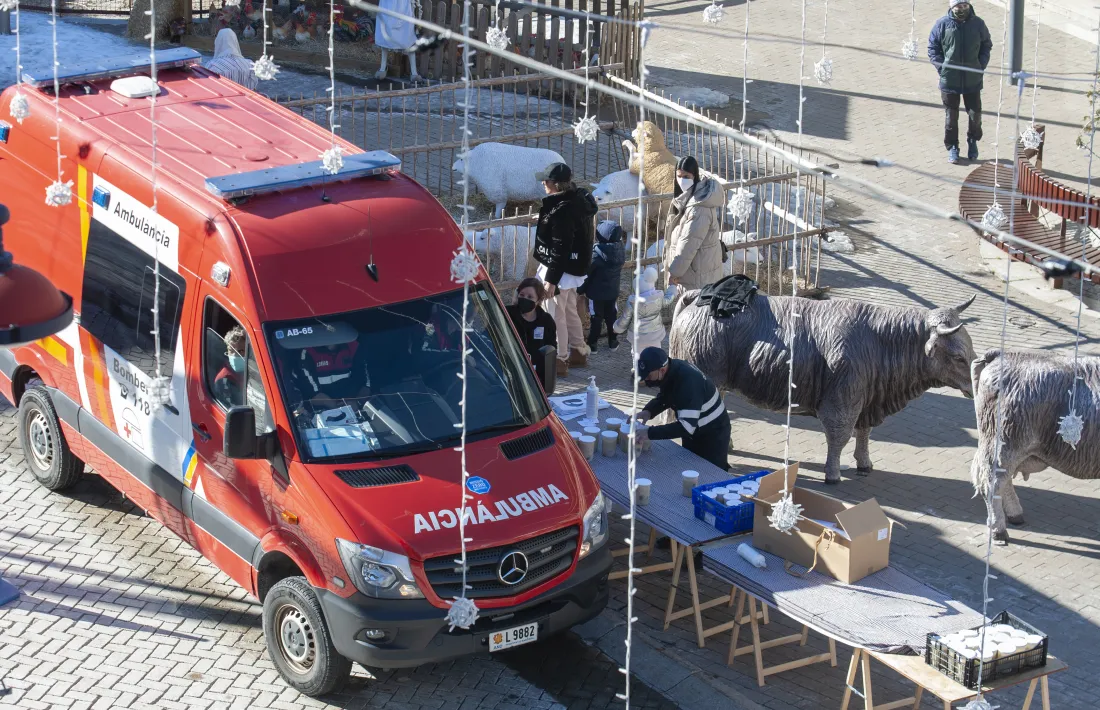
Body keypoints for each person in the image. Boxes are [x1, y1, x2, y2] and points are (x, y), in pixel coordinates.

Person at [532, 162, 599, 377]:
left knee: (555, 315)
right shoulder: (577, 200)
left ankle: (559, 360)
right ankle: (578, 351)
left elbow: (560, 247)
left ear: (556, 184)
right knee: (570, 310)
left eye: (546, 181)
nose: (543, 183)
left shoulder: (562, 211)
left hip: (560, 271)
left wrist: (551, 280)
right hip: (574, 268)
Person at [632, 346, 731, 471]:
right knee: (688, 467)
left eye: (648, 375)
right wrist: (649, 411)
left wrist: (649, 433)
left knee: (711, 474)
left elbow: (686, 427)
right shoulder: (672, 370)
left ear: (662, 370)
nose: (646, 379)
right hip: (695, 429)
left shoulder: (688, 383)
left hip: (712, 435)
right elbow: (667, 396)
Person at [928, 0, 993, 164]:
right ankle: (953, 147)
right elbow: (933, 48)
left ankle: (973, 140)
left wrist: (980, 66)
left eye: (965, 5)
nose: (962, 9)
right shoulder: (942, 24)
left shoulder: (978, 24)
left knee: (975, 115)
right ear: (952, 7)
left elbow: (986, 45)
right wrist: (942, 68)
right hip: (950, 81)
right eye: (958, 6)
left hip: (972, 80)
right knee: (951, 117)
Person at [665, 156, 725, 292]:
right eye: (679, 176)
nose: (682, 180)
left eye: (686, 176)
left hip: (697, 276)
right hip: (693, 272)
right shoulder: (688, 198)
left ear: (695, 176)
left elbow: (689, 243)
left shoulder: (698, 208)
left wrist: (675, 272)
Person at [579, 220, 625, 353]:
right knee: (611, 316)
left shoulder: (595, 254)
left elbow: (587, 275)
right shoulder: (620, 251)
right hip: (612, 292)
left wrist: (580, 289)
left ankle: (593, 344)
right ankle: (613, 341)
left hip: (596, 294)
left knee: (596, 318)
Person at [613, 265, 672, 361]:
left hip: (638, 337)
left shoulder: (632, 302)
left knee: (637, 357)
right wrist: (673, 287)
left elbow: (625, 318)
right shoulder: (659, 299)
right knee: (656, 356)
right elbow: (668, 299)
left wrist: (617, 328)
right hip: (655, 335)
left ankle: (638, 369)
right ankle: (656, 369)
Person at [506, 277, 558, 361]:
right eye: (522, 295)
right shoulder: (507, 314)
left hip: (535, 367)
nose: (525, 299)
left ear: (538, 300)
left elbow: (551, 349)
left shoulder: (546, 320)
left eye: (530, 297)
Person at [213, 326, 248, 407]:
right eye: (231, 351)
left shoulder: (255, 369)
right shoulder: (225, 380)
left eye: (241, 351)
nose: (235, 355)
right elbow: (234, 410)